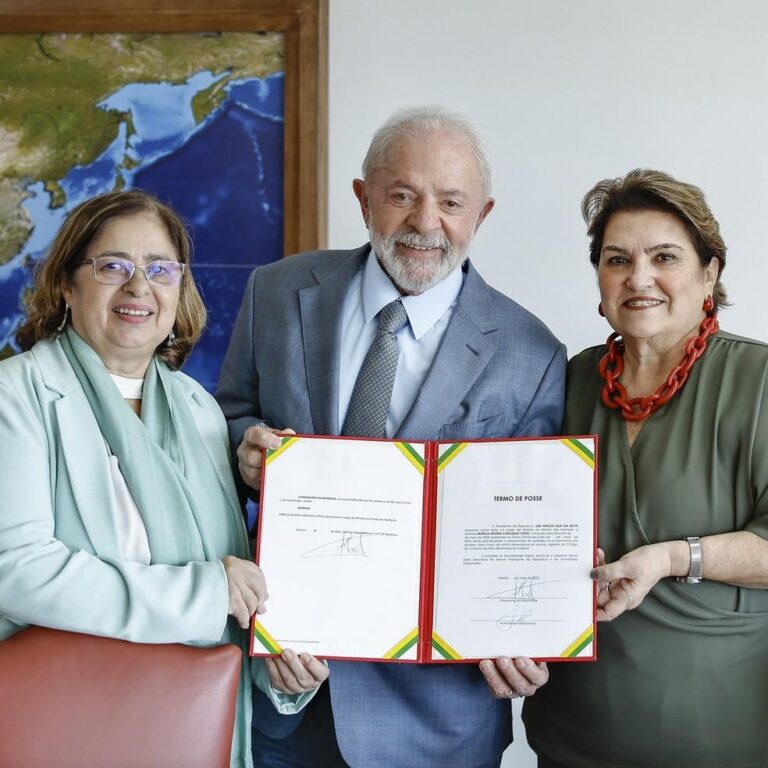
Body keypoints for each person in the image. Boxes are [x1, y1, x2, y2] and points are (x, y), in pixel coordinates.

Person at [216, 107, 567, 767]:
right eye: (402, 195)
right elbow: (225, 421)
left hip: (435, 724)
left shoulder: (534, 354)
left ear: (483, 214)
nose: (425, 222)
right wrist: (243, 452)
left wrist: (524, 633)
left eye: (451, 202)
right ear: (363, 198)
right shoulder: (276, 292)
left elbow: (527, 534)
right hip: (282, 690)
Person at [0, 190, 327, 768]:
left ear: (179, 289)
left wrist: (277, 664)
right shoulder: (15, 395)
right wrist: (205, 593)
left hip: (192, 730)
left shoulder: (199, 408)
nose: (138, 287)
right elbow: (17, 572)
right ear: (67, 284)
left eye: (159, 269)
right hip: (66, 727)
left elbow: (232, 578)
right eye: (112, 266)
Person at [522, 169, 768, 768]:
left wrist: (672, 558)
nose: (638, 278)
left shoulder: (759, 382)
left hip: (723, 741)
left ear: (709, 274)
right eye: (617, 260)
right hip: (568, 739)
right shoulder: (566, 381)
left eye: (665, 257)